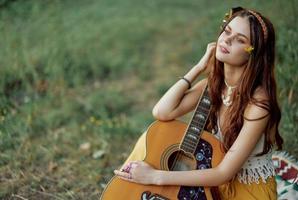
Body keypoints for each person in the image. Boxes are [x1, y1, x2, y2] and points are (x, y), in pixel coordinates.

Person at [114, 7, 283, 199]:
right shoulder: (214, 86)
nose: (227, 40)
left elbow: (223, 174)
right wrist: (198, 67)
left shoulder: (258, 103)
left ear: (253, 53)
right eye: (227, 31)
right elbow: (162, 112)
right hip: (211, 179)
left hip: (246, 188)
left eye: (240, 40)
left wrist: (155, 177)